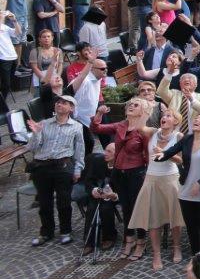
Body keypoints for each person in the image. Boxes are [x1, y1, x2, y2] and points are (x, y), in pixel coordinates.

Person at [91, 97, 154, 260]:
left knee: (136, 208)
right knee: (125, 207)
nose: (131, 106)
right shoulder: (120, 125)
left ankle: (141, 242)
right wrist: (99, 113)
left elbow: (148, 155)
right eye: (130, 104)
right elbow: (96, 128)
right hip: (119, 172)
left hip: (136, 172)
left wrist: (147, 175)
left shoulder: (144, 130)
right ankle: (129, 239)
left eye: (136, 105)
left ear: (143, 111)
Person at [157, 110, 200, 257]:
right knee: (191, 226)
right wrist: (161, 155)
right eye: (196, 118)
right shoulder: (187, 139)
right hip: (186, 190)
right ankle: (196, 256)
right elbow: (171, 151)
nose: (197, 120)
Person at [24, 94, 85, 246]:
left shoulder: (76, 127)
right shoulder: (44, 124)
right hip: (42, 165)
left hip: (62, 166)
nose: (60, 104)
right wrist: (36, 133)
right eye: (58, 102)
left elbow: (80, 150)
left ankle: (65, 230)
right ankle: (46, 232)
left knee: (64, 202)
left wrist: (78, 169)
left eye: (64, 103)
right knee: (44, 202)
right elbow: (31, 147)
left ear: (71, 108)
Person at [130, 108, 185, 269]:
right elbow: (140, 127)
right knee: (153, 219)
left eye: (169, 115)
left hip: (170, 179)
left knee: (175, 218)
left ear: (176, 121)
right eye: (163, 115)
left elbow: (181, 161)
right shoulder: (154, 132)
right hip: (151, 179)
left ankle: (177, 248)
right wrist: (145, 113)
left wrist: (165, 153)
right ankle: (157, 254)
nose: (164, 118)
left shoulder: (178, 136)